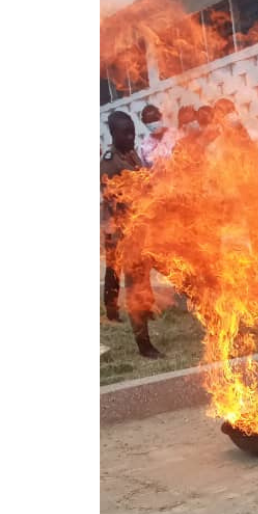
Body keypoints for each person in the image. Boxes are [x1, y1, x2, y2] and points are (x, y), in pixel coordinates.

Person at [101, 111, 165, 359]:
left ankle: (146, 313)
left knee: (146, 279)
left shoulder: (132, 153)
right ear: (113, 133)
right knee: (135, 288)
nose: (130, 136)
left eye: (132, 132)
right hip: (125, 235)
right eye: (124, 133)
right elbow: (114, 199)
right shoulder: (109, 162)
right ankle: (144, 344)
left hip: (144, 230)